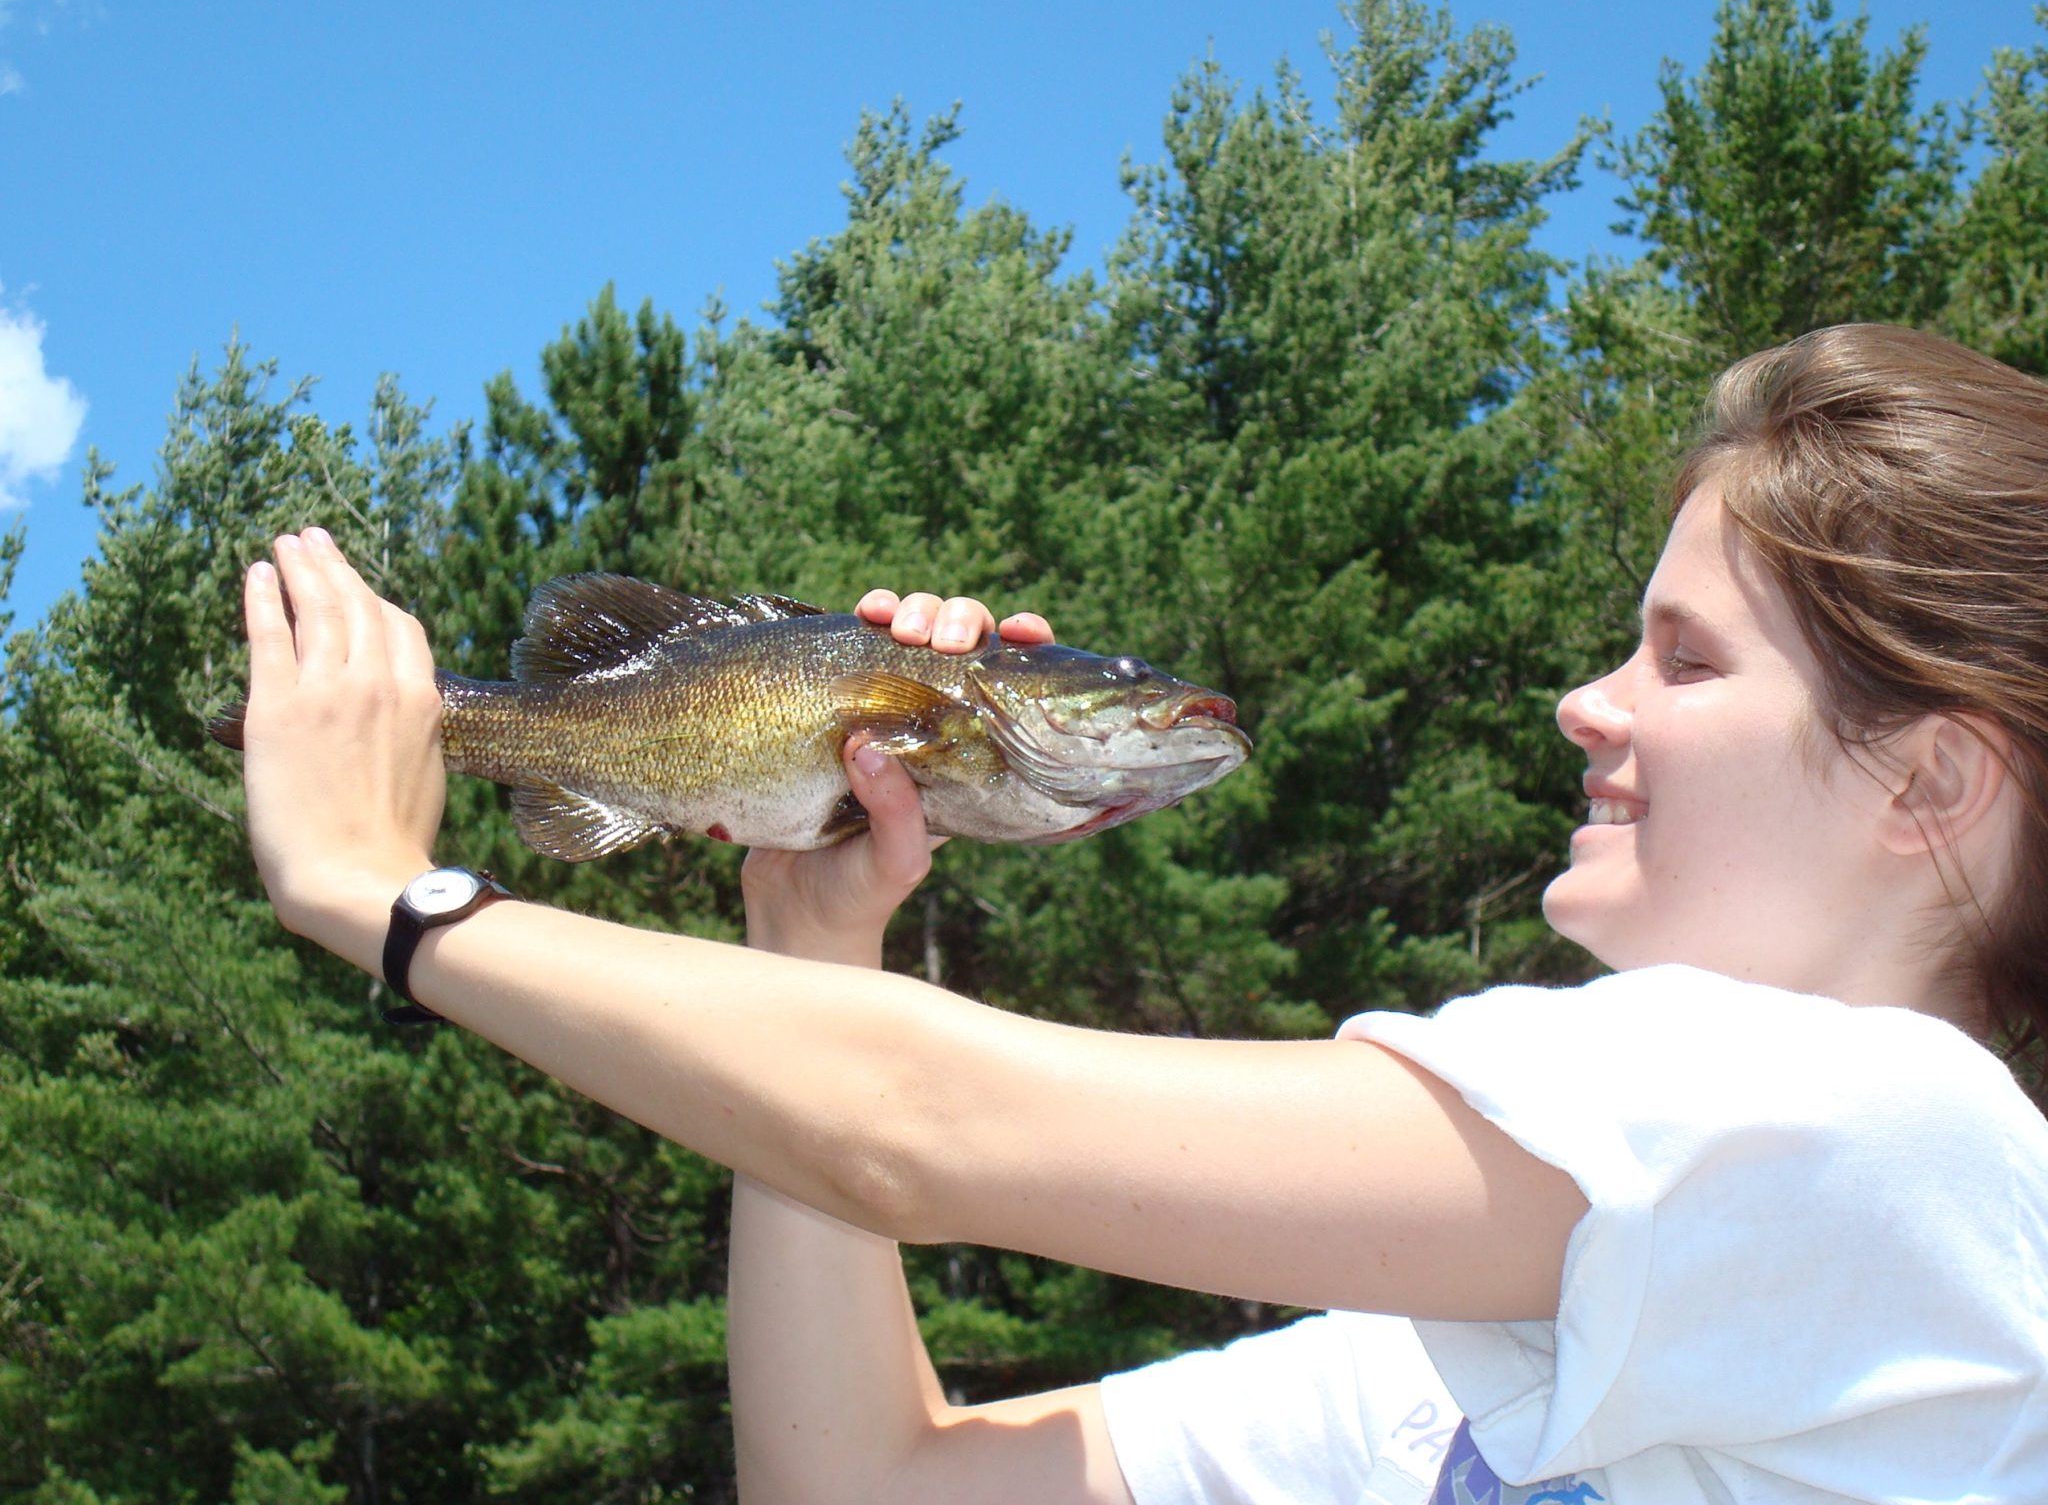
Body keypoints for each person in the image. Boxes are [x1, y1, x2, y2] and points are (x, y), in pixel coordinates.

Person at [235, 323, 2048, 1504]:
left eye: (1686, 658)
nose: (1588, 704)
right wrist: (814, 948)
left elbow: (920, 1127)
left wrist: (399, 901)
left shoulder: (1906, 1147)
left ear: (1932, 786)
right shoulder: (1452, 1394)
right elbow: (864, 1483)